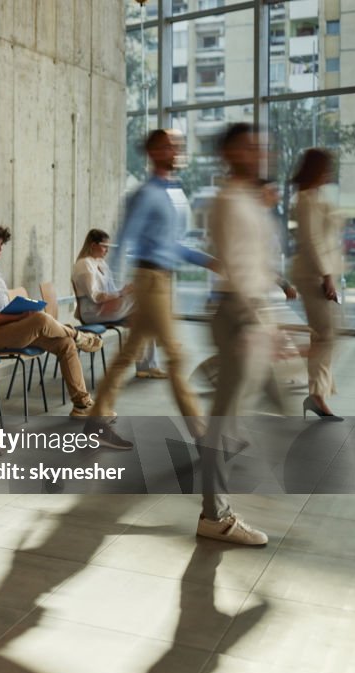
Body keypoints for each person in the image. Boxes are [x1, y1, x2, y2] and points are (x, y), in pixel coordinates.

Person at [87, 129, 219, 448]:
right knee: (176, 354)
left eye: (177, 145)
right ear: (154, 152)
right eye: (169, 145)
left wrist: (210, 262)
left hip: (163, 280)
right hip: (150, 280)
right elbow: (123, 239)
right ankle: (202, 435)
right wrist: (113, 291)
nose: (176, 149)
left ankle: (96, 421)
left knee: (129, 353)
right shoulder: (145, 194)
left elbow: (174, 245)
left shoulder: (173, 191)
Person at [198, 123, 294, 545]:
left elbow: (259, 259)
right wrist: (253, 322)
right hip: (239, 313)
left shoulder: (248, 200)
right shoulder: (229, 202)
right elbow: (237, 268)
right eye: (252, 148)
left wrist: (270, 320)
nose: (262, 154)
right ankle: (215, 515)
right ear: (232, 153)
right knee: (224, 421)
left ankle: (229, 474)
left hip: (250, 313)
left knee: (268, 404)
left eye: (263, 147)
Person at [0, 223, 101, 417]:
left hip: (10, 329)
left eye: (1, 244)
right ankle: (78, 335)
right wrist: (20, 316)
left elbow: (1, 307)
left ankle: (82, 405)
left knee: (65, 343)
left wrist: (21, 311)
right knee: (40, 319)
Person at [291, 148, 343, 420]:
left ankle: (318, 393)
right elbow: (313, 241)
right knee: (325, 335)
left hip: (321, 274)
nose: (329, 173)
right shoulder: (305, 200)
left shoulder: (317, 197)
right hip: (313, 276)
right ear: (316, 170)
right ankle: (317, 395)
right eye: (326, 168)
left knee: (325, 335)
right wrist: (326, 276)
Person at [73, 228, 164, 378]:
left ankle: (146, 367)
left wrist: (123, 292)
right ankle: (160, 336)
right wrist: (122, 293)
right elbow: (96, 297)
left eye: (108, 247)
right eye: (104, 246)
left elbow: (111, 291)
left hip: (106, 307)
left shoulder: (101, 263)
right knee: (142, 298)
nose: (107, 250)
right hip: (93, 312)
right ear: (93, 245)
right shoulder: (83, 265)